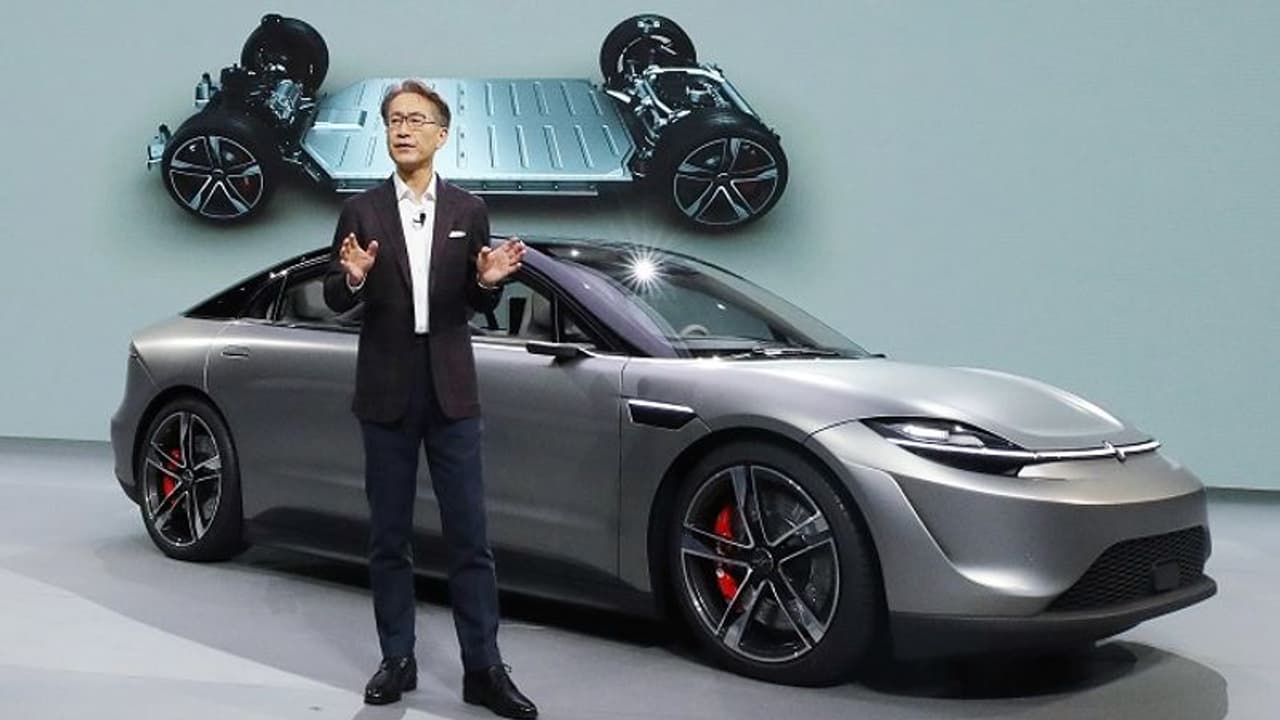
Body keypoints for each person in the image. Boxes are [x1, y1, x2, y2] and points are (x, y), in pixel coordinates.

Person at [322, 79, 535, 718]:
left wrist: (488, 283)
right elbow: (334, 293)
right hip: (385, 388)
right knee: (389, 537)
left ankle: (483, 670)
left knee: (470, 537)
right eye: (393, 119)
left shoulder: (469, 210)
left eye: (416, 119)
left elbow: (474, 300)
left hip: (451, 390)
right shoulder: (361, 211)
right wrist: (352, 278)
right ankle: (398, 658)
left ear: (441, 135)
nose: (403, 129)